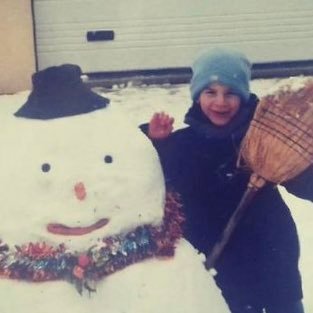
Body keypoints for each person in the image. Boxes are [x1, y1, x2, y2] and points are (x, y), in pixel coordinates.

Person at [141, 48, 313, 313]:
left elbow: (301, 180)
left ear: (243, 96)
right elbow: (142, 177)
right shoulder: (182, 144)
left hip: (270, 255)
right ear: (198, 96)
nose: (220, 102)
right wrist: (155, 142)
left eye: (230, 92)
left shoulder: (263, 139)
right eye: (210, 92)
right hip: (216, 263)